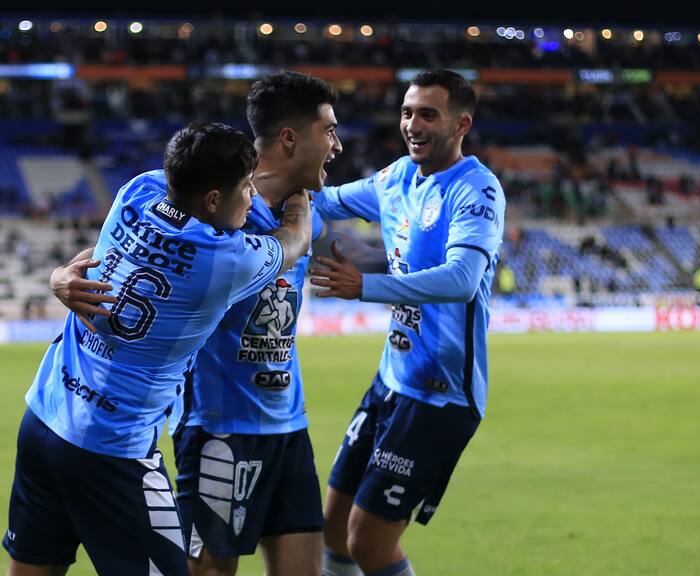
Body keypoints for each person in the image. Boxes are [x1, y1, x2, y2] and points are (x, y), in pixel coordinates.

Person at [50, 72, 373, 576]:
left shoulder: (309, 207)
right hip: (219, 428)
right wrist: (59, 278)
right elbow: (131, 261)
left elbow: (376, 232)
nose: (337, 144)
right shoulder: (215, 216)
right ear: (290, 138)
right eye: (329, 130)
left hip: (289, 423)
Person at [4, 121, 311, 576]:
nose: (250, 198)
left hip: (44, 417)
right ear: (212, 199)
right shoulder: (224, 261)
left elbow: (113, 252)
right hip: (112, 449)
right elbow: (292, 245)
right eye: (244, 188)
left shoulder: (137, 191)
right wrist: (299, 207)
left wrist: (57, 277)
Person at [310, 69, 506, 576]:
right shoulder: (397, 178)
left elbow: (463, 279)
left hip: (441, 395)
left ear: (461, 123)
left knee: (369, 544)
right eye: (406, 112)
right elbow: (324, 202)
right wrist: (270, 188)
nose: (412, 124)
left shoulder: (477, 191)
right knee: (331, 529)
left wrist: (365, 286)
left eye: (427, 114)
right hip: (392, 380)